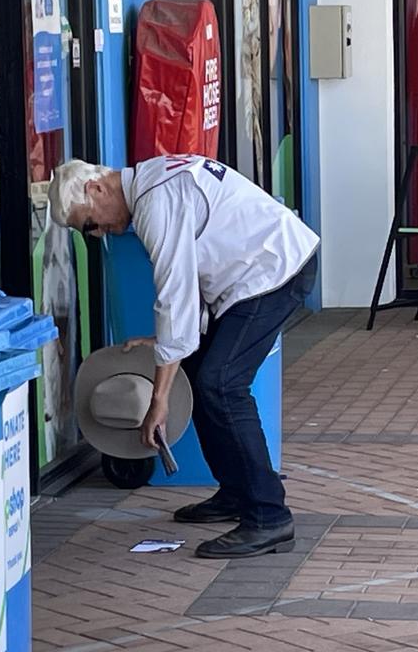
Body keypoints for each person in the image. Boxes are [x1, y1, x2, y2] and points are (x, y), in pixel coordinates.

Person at [49, 154, 319, 558]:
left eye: (89, 224)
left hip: (274, 269)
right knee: (196, 371)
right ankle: (235, 491)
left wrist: (158, 402)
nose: (97, 234)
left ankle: (268, 516)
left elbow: (175, 296)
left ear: (96, 188)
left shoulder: (157, 200)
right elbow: (185, 295)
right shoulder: (152, 185)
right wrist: (165, 341)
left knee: (222, 383)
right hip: (253, 273)